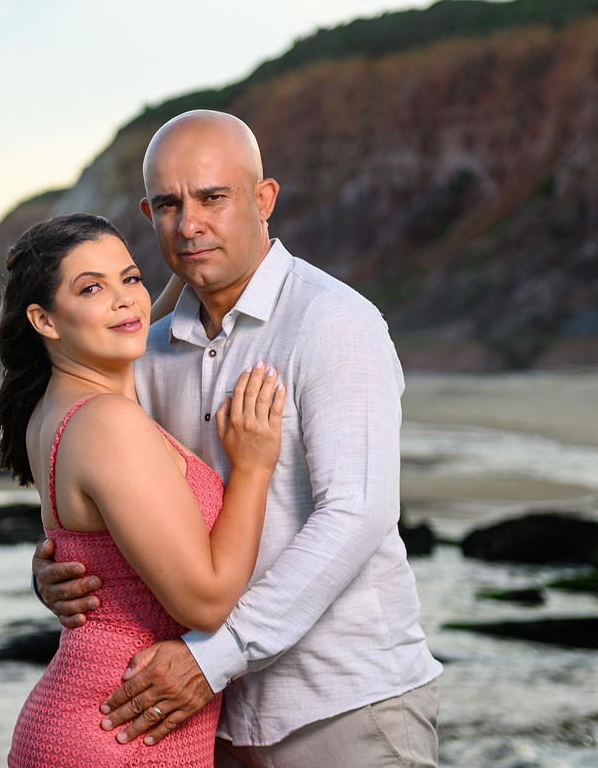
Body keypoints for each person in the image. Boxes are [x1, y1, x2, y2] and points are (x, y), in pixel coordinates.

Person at [33, 110, 442, 768]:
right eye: (169, 204)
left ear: (263, 199)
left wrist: (212, 659)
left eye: (212, 197)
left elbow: (358, 513)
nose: (190, 224)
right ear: (149, 213)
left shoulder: (332, 322)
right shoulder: (149, 351)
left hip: (342, 707)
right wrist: (67, 569)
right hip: (204, 723)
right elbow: (113, 487)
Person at [0, 213, 286, 767]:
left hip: (96, 720)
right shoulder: (108, 423)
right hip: (118, 732)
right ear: (44, 320)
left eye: (130, 278)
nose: (125, 300)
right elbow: (206, 601)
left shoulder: (53, 410)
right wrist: (252, 468)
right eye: (92, 288)